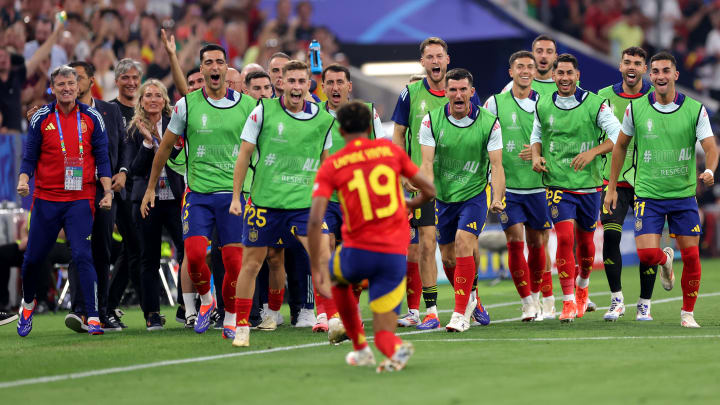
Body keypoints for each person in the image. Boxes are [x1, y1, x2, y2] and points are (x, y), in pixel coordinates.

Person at [308, 101, 436, 371]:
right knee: (384, 333)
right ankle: (394, 349)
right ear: (369, 127)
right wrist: (410, 205)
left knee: (336, 279)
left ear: (341, 131)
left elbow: (316, 218)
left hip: (357, 251)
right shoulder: (390, 151)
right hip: (392, 254)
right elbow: (429, 190)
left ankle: (359, 345)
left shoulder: (333, 164)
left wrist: (318, 267)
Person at [140, 44, 256, 339]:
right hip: (198, 195)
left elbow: (260, 149)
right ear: (201, 69)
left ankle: (230, 317)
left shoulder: (247, 106)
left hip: (233, 196)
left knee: (233, 262)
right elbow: (165, 148)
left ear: (227, 69)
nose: (214, 67)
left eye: (219, 62)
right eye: (208, 63)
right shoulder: (186, 106)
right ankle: (206, 301)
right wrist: (151, 187)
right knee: (193, 256)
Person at [604, 52, 718, 328]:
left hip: (682, 195)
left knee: (691, 256)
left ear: (675, 75)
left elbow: (711, 146)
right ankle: (665, 259)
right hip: (649, 195)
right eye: (655, 71)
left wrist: (710, 170)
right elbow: (619, 146)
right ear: (650, 75)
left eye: (666, 71)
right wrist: (611, 186)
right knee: (646, 257)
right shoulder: (637, 109)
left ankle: (687, 313)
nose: (660, 76)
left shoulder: (695, 109)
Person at [229, 60, 337, 347]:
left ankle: (335, 320)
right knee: (251, 264)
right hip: (265, 203)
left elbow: (326, 165)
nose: (297, 86)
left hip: (304, 205)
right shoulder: (262, 112)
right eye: (292, 81)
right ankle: (241, 327)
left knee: (322, 256)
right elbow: (243, 155)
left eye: (302, 81)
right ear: (282, 84)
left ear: (308, 84)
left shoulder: (324, 120)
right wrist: (237, 197)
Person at [392, 37, 483, 330]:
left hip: (462, 185)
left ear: (447, 60)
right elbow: (398, 134)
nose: (434, 61)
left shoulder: (465, 92)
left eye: (439, 56)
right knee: (425, 245)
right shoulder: (410, 93)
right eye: (429, 56)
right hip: (423, 182)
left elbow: (479, 131)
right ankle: (429, 311)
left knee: (465, 246)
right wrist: (404, 172)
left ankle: (473, 296)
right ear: (423, 62)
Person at [17, 65, 113, 336]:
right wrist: (24, 180)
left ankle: (93, 317)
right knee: (33, 259)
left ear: (79, 86)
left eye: (71, 83)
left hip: (80, 198)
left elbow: (103, 158)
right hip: (46, 198)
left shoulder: (93, 117)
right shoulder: (41, 118)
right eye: (61, 84)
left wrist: (107, 191)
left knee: (83, 255)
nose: (67, 88)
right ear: (52, 88)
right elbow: (29, 157)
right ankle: (27, 304)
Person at [530, 53, 621, 323]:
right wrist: (536, 156)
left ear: (577, 75)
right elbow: (536, 136)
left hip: (590, 185)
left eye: (570, 73)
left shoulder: (596, 104)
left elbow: (618, 138)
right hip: (557, 183)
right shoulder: (543, 104)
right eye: (560, 73)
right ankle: (568, 301)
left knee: (585, 244)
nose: (565, 78)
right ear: (554, 76)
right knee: (565, 239)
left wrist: (594, 152)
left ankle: (582, 286)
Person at [419, 68, 504, 332]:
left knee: (463, 241)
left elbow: (497, 166)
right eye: (453, 89)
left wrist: (498, 197)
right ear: (446, 93)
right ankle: (473, 298)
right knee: (448, 259)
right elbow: (426, 163)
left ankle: (459, 314)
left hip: (474, 195)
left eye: (462, 89)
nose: (458, 94)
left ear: (471, 92)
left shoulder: (490, 122)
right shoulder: (431, 121)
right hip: (443, 198)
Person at [312, 63, 385, 332]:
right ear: (323, 88)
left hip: (358, 199)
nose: (334, 88)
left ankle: (347, 310)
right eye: (329, 83)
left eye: (339, 82)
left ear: (349, 86)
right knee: (324, 249)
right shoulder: (314, 114)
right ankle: (325, 313)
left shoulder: (367, 113)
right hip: (326, 197)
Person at [62, 61, 127, 332]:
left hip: (103, 188)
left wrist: (122, 171)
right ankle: (79, 310)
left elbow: (123, 144)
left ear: (91, 81)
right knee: (78, 249)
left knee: (102, 249)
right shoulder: (59, 113)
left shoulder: (110, 110)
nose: (73, 83)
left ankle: (99, 311)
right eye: (68, 79)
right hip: (74, 186)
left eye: (77, 78)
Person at [484, 51, 548, 321]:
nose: (525, 70)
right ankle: (526, 302)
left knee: (536, 243)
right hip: (508, 187)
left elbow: (557, 141)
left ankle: (536, 294)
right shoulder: (495, 103)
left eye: (529, 67)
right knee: (514, 241)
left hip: (540, 186)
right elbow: (483, 139)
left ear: (535, 72)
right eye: (519, 66)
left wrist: (538, 153)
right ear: (511, 72)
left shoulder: (546, 104)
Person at [596, 47, 656, 322]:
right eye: (627, 62)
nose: (632, 67)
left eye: (637, 63)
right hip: (614, 181)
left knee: (647, 247)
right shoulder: (603, 98)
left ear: (645, 69)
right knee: (610, 236)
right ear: (620, 66)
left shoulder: (655, 99)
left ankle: (645, 303)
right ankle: (616, 299)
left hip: (647, 182)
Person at [127, 79, 185, 331]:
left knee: (186, 252)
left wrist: (158, 137)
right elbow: (133, 170)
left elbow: (177, 158)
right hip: (145, 201)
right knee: (148, 257)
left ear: (165, 101)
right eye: (148, 95)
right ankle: (151, 313)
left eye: (157, 95)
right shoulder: (131, 130)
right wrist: (147, 142)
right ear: (140, 101)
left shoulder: (178, 124)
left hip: (174, 198)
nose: (152, 99)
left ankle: (187, 307)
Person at [107, 58, 144, 327]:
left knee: (135, 249)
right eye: (126, 78)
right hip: (120, 189)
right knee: (134, 248)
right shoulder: (109, 111)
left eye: (135, 78)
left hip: (144, 188)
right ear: (117, 80)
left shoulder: (147, 108)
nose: (131, 82)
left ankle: (108, 306)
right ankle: (108, 307)